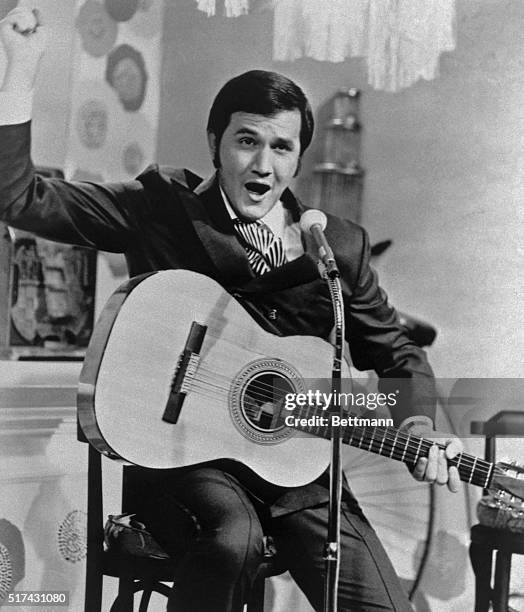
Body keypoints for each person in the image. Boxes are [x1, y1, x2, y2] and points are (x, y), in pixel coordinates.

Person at [0, 8, 463, 612]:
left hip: (298, 470)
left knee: (381, 605)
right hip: (179, 459)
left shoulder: (335, 245)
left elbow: (397, 353)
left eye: (281, 147)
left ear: (298, 159)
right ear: (216, 143)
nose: (262, 166)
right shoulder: (161, 206)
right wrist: (19, 73)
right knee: (232, 542)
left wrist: (419, 428)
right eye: (246, 141)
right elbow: (20, 197)